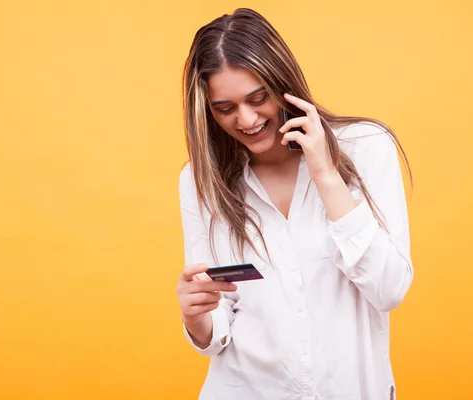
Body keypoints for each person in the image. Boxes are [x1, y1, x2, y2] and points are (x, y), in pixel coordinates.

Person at [175, 8, 414, 400]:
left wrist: (325, 174)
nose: (247, 119)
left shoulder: (368, 147)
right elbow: (219, 325)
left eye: (258, 98)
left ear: (282, 81)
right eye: (226, 108)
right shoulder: (202, 181)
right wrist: (196, 316)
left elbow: (388, 289)